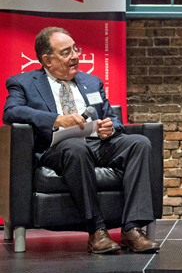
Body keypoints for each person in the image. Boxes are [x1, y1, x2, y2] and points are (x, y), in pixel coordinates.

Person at [3, 27, 160, 254]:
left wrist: (110, 127)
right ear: (47, 59)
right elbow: (11, 112)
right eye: (67, 52)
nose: (75, 56)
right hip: (57, 147)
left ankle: (132, 229)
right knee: (76, 147)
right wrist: (57, 119)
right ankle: (96, 230)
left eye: (75, 49)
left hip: (97, 142)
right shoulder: (24, 82)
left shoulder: (92, 82)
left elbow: (112, 118)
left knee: (139, 143)